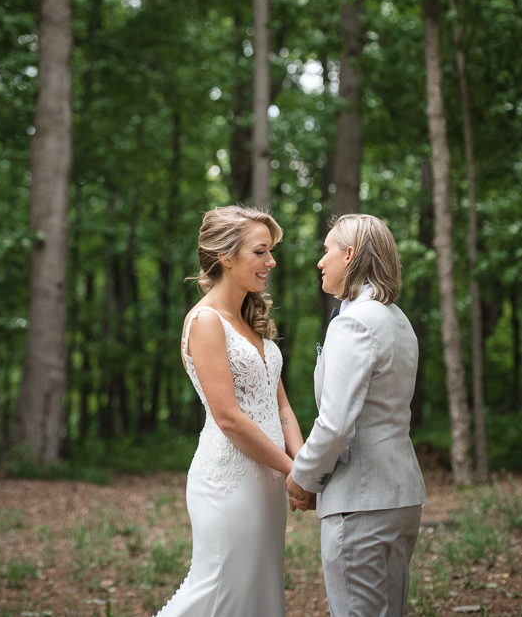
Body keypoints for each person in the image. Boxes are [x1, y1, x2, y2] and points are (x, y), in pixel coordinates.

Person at [155, 205, 303, 617]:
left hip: (268, 482)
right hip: (229, 482)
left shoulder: (249, 321)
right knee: (218, 591)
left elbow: (282, 407)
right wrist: (295, 471)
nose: (271, 261)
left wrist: (305, 463)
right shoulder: (206, 321)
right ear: (225, 255)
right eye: (260, 252)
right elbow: (229, 419)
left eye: (270, 251)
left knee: (257, 592)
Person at [286, 213, 426, 617]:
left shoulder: (355, 323)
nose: (320, 260)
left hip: (361, 500)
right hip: (400, 496)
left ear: (349, 256)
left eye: (326, 249)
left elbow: (334, 424)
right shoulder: (397, 320)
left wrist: (303, 477)